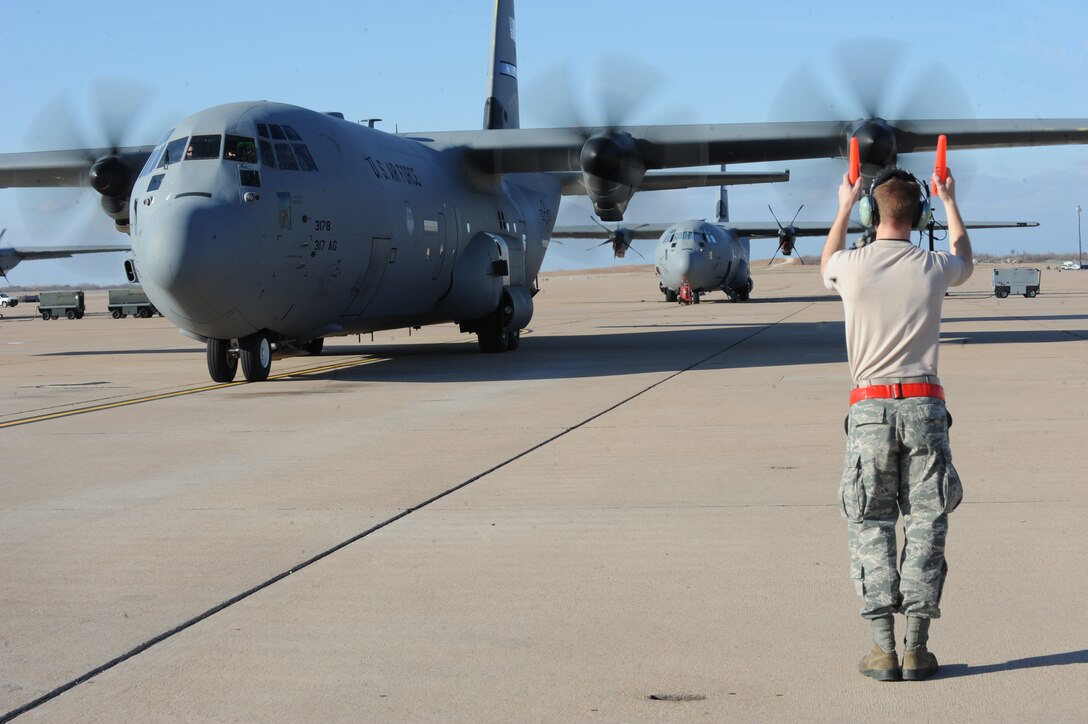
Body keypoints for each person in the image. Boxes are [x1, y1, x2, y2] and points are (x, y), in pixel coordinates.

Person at [820, 166, 971, 682]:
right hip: (925, 405)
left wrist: (843, 205)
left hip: (870, 409)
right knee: (928, 522)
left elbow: (825, 264)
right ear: (919, 214)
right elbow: (965, 260)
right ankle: (917, 649)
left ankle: (882, 650)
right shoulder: (933, 266)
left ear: (870, 213)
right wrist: (949, 201)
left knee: (870, 523)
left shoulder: (851, 266)